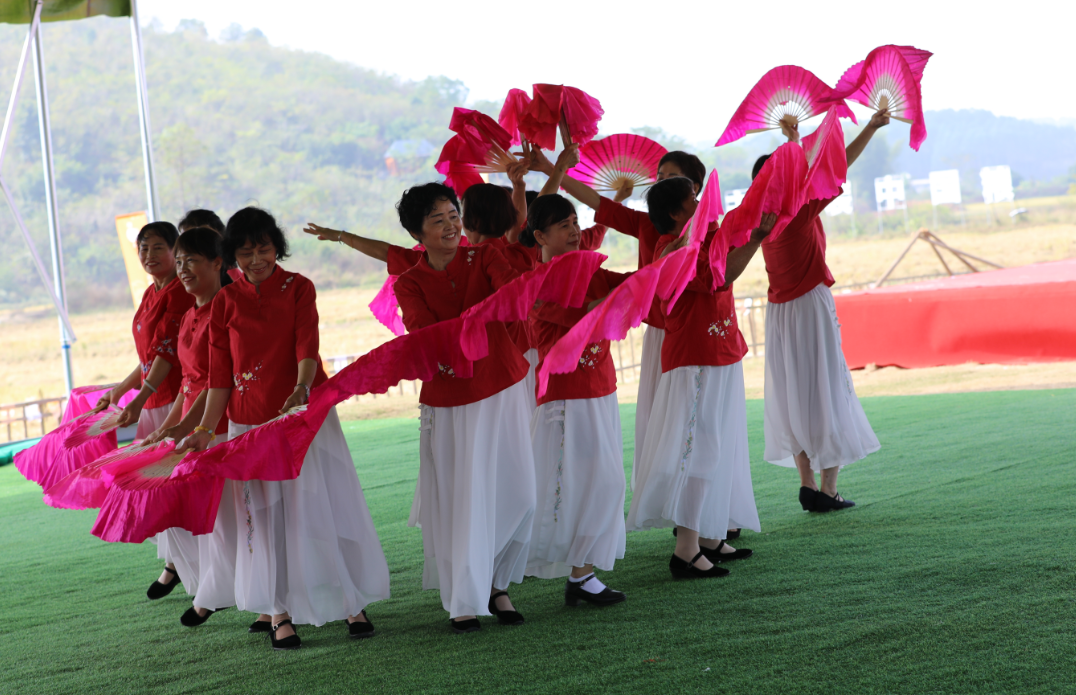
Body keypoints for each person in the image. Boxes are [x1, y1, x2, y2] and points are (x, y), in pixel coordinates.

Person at [178, 207, 390, 650]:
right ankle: (278, 612)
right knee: (264, 520)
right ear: (231, 255)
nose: (256, 259)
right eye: (246, 252)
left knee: (321, 507)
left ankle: (350, 601)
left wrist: (300, 388)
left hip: (301, 415)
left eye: (264, 249)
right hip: (248, 424)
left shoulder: (299, 287)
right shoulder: (224, 302)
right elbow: (220, 377)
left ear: (277, 247)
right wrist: (203, 427)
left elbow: (306, 345)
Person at [528, 149, 743, 535]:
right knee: (675, 432)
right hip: (664, 332)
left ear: (695, 188)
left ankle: (706, 523)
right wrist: (552, 169)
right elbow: (598, 205)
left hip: (646, 335)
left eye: (675, 179)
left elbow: (629, 280)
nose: (663, 181)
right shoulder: (647, 228)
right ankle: (683, 528)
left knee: (700, 437)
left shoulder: (704, 233)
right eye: (660, 176)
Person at [392, 182, 536, 634]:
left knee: (520, 493)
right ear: (419, 233)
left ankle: (493, 582)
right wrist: (473, 322)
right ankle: (465, 599)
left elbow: (513, 300)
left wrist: (484, 315)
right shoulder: (409, 282)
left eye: (454, 215)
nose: (452, 225)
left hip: (503, 386)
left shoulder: (487, 256)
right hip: (451, 400)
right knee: (463, 499)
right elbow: (422, 333)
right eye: (438, 220)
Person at [626, 176, 774, 578]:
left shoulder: (704, 238)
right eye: (693, 199)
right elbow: (721, 277)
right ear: (676, 213)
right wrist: (757, 238)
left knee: (717, 445)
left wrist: (753, 231)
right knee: (697, 449)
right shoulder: (671, 249)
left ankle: (707, 535)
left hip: (719, 353)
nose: (700, 203)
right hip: (696, 359)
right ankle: (686, 548)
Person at [757, 113, 888, 512]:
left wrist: (794, 141)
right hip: (810, 308)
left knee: (794, 395)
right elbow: (838, 165)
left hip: (778, 312)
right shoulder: (799, 211)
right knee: (827, 390)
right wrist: (870, 127)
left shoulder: (757, 220)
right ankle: (829, 490)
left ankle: (807, 482)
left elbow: (808, 173)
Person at [520, 194, 629, 606]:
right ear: (540, 236)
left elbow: (634, 285)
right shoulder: (536, 284)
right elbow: (587, 315)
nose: (574, 231)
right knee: (566, 485)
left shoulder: (593, 271)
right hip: (565, 396)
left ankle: (581, 574)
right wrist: (617, 298)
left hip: (600, 389)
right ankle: (522, 570)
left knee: (603, 482)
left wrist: (665, 262)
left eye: (575, 222)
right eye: (564, 225)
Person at [92, 221, 198, 600]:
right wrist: (120, 391)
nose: (149, 256)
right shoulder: (152, 293)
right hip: (152, 403)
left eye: (157, 248)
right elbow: (148, 357)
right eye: (143, 249)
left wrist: (137, 399)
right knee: (158, 490)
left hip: (175, 402)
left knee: (175, 488)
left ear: (175, 251)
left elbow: (168, 357)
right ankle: (177, 564)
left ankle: (193, 571)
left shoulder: (179, 294)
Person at [143, 227, 236, 627]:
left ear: (218, 263)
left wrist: (184, 427)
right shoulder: (190, 315)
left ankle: (231, 596)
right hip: (195, 426)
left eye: (191, 260)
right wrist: (168, 427)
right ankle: (213, 588)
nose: (183, 269)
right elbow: (188, 381)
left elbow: (219, 378)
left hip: (222, 423)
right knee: (201, 518)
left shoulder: (226, 306)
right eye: (179, 261)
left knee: (231, 518)